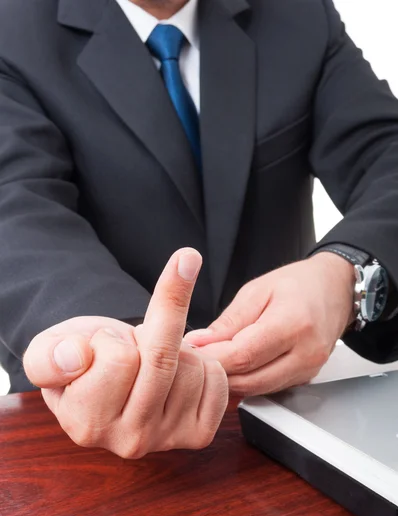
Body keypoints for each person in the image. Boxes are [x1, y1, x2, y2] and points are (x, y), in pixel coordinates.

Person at [0, 0, 398, 458]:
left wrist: (347, 275)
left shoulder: (298, 13)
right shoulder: (13, 32)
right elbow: (17, 208)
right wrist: (125, 350)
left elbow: (386, 155)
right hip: (87, 428)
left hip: (285, 414)